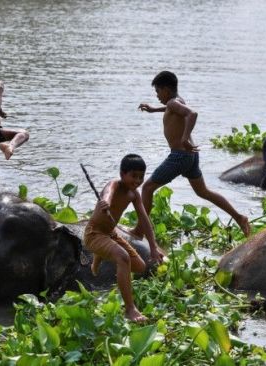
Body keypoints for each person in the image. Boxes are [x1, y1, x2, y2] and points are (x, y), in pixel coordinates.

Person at [132, 71, 251, 238]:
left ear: (166, 89)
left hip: (179, 156)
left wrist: (185, 137)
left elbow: (192, 114)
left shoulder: (174, 103)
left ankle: (139, 231)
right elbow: (172, 109)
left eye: (158, 92)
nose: (157, 96)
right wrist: (154, 109)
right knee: (203, 192)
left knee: (147, 187)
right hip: (191, 157)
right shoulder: (176, 102)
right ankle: (239, 217)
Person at [84, 154, 165, 322]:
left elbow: (144, 219)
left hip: (111, 234)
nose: (137, 181)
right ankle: (130, 309)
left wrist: (153, 247)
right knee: (122, 257)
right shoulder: (114, 184)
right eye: (133, 176)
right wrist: (105, 202)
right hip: (95, 233)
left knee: (140, 267)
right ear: (122, 174)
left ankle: (101, 254)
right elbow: (108, 193)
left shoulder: (134, 195)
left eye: (141, 177)